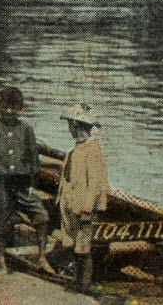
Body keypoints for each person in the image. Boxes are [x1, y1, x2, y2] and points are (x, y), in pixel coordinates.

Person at [0, 85, 49, 271]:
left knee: (42, 216)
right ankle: (1, 259)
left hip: (21, 183)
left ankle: (42, 257)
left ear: (21, 109)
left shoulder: (26, 129)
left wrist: (32, 185)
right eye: (5, 107)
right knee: (1, 224)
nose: (9, 111)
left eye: (14, 108)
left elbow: (34, 160)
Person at [55, 102, 110, 291]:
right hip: (71, 206)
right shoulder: (74, 150)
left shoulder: (92, 151)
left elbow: (95, 184)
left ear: (76, 125)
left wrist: (88, 208)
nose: (69, 127)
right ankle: (76, 282)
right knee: (73, 245)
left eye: (70, 124)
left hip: (82, 209)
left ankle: (83, 285)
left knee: (83, 248)